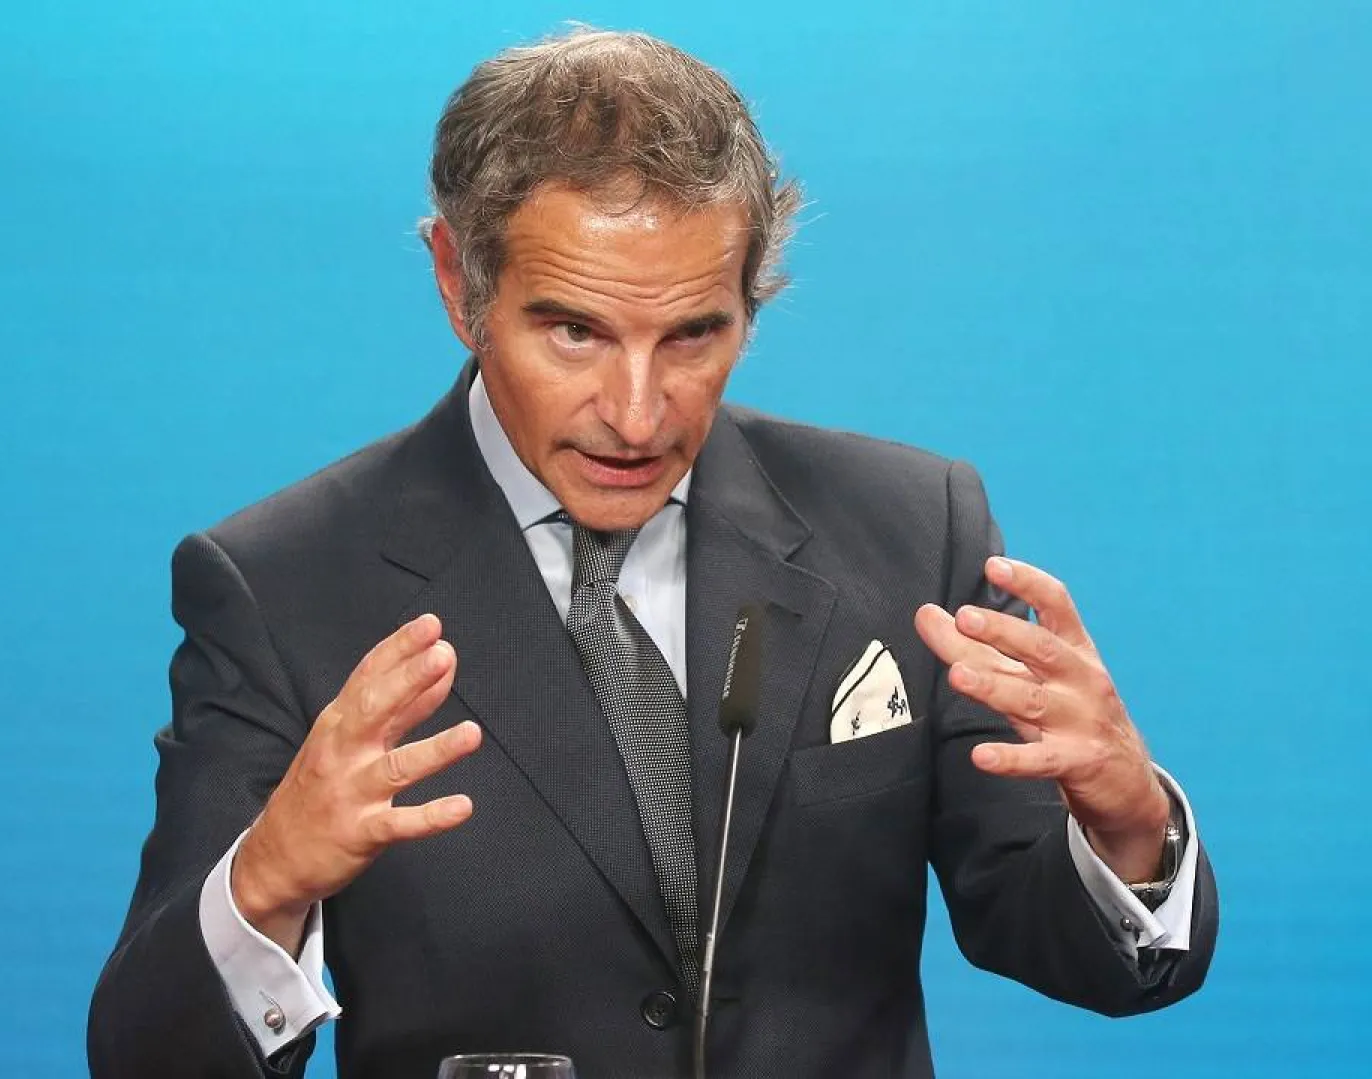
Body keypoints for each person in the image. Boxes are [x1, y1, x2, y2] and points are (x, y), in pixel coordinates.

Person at [88, 27, 1217, 1079]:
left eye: (692, 333)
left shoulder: (915, 524)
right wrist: (268, 880)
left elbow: (1085, 955)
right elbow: (145, 1052)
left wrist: (1127, 823)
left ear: (750, 303)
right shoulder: (284, 584)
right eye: (573, 329)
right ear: (456, 282)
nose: (637, 414)